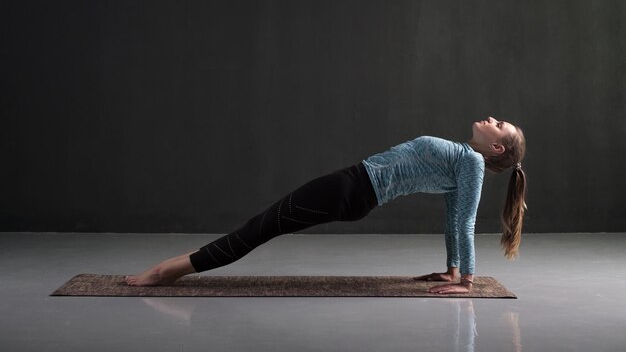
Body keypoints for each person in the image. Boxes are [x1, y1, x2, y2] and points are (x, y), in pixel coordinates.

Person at [126, 117, 527, 294]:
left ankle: (166, 272)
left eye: (500, 124)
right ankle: (171, 271)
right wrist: (453, 270)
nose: (492, 118)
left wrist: (468, 280)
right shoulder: (463, 160)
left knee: (258, 228)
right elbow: (451, 214)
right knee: (261, 226)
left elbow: (465, 221)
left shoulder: (471, 162)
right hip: (352, 187)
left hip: (352, 189)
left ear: (495, 146)